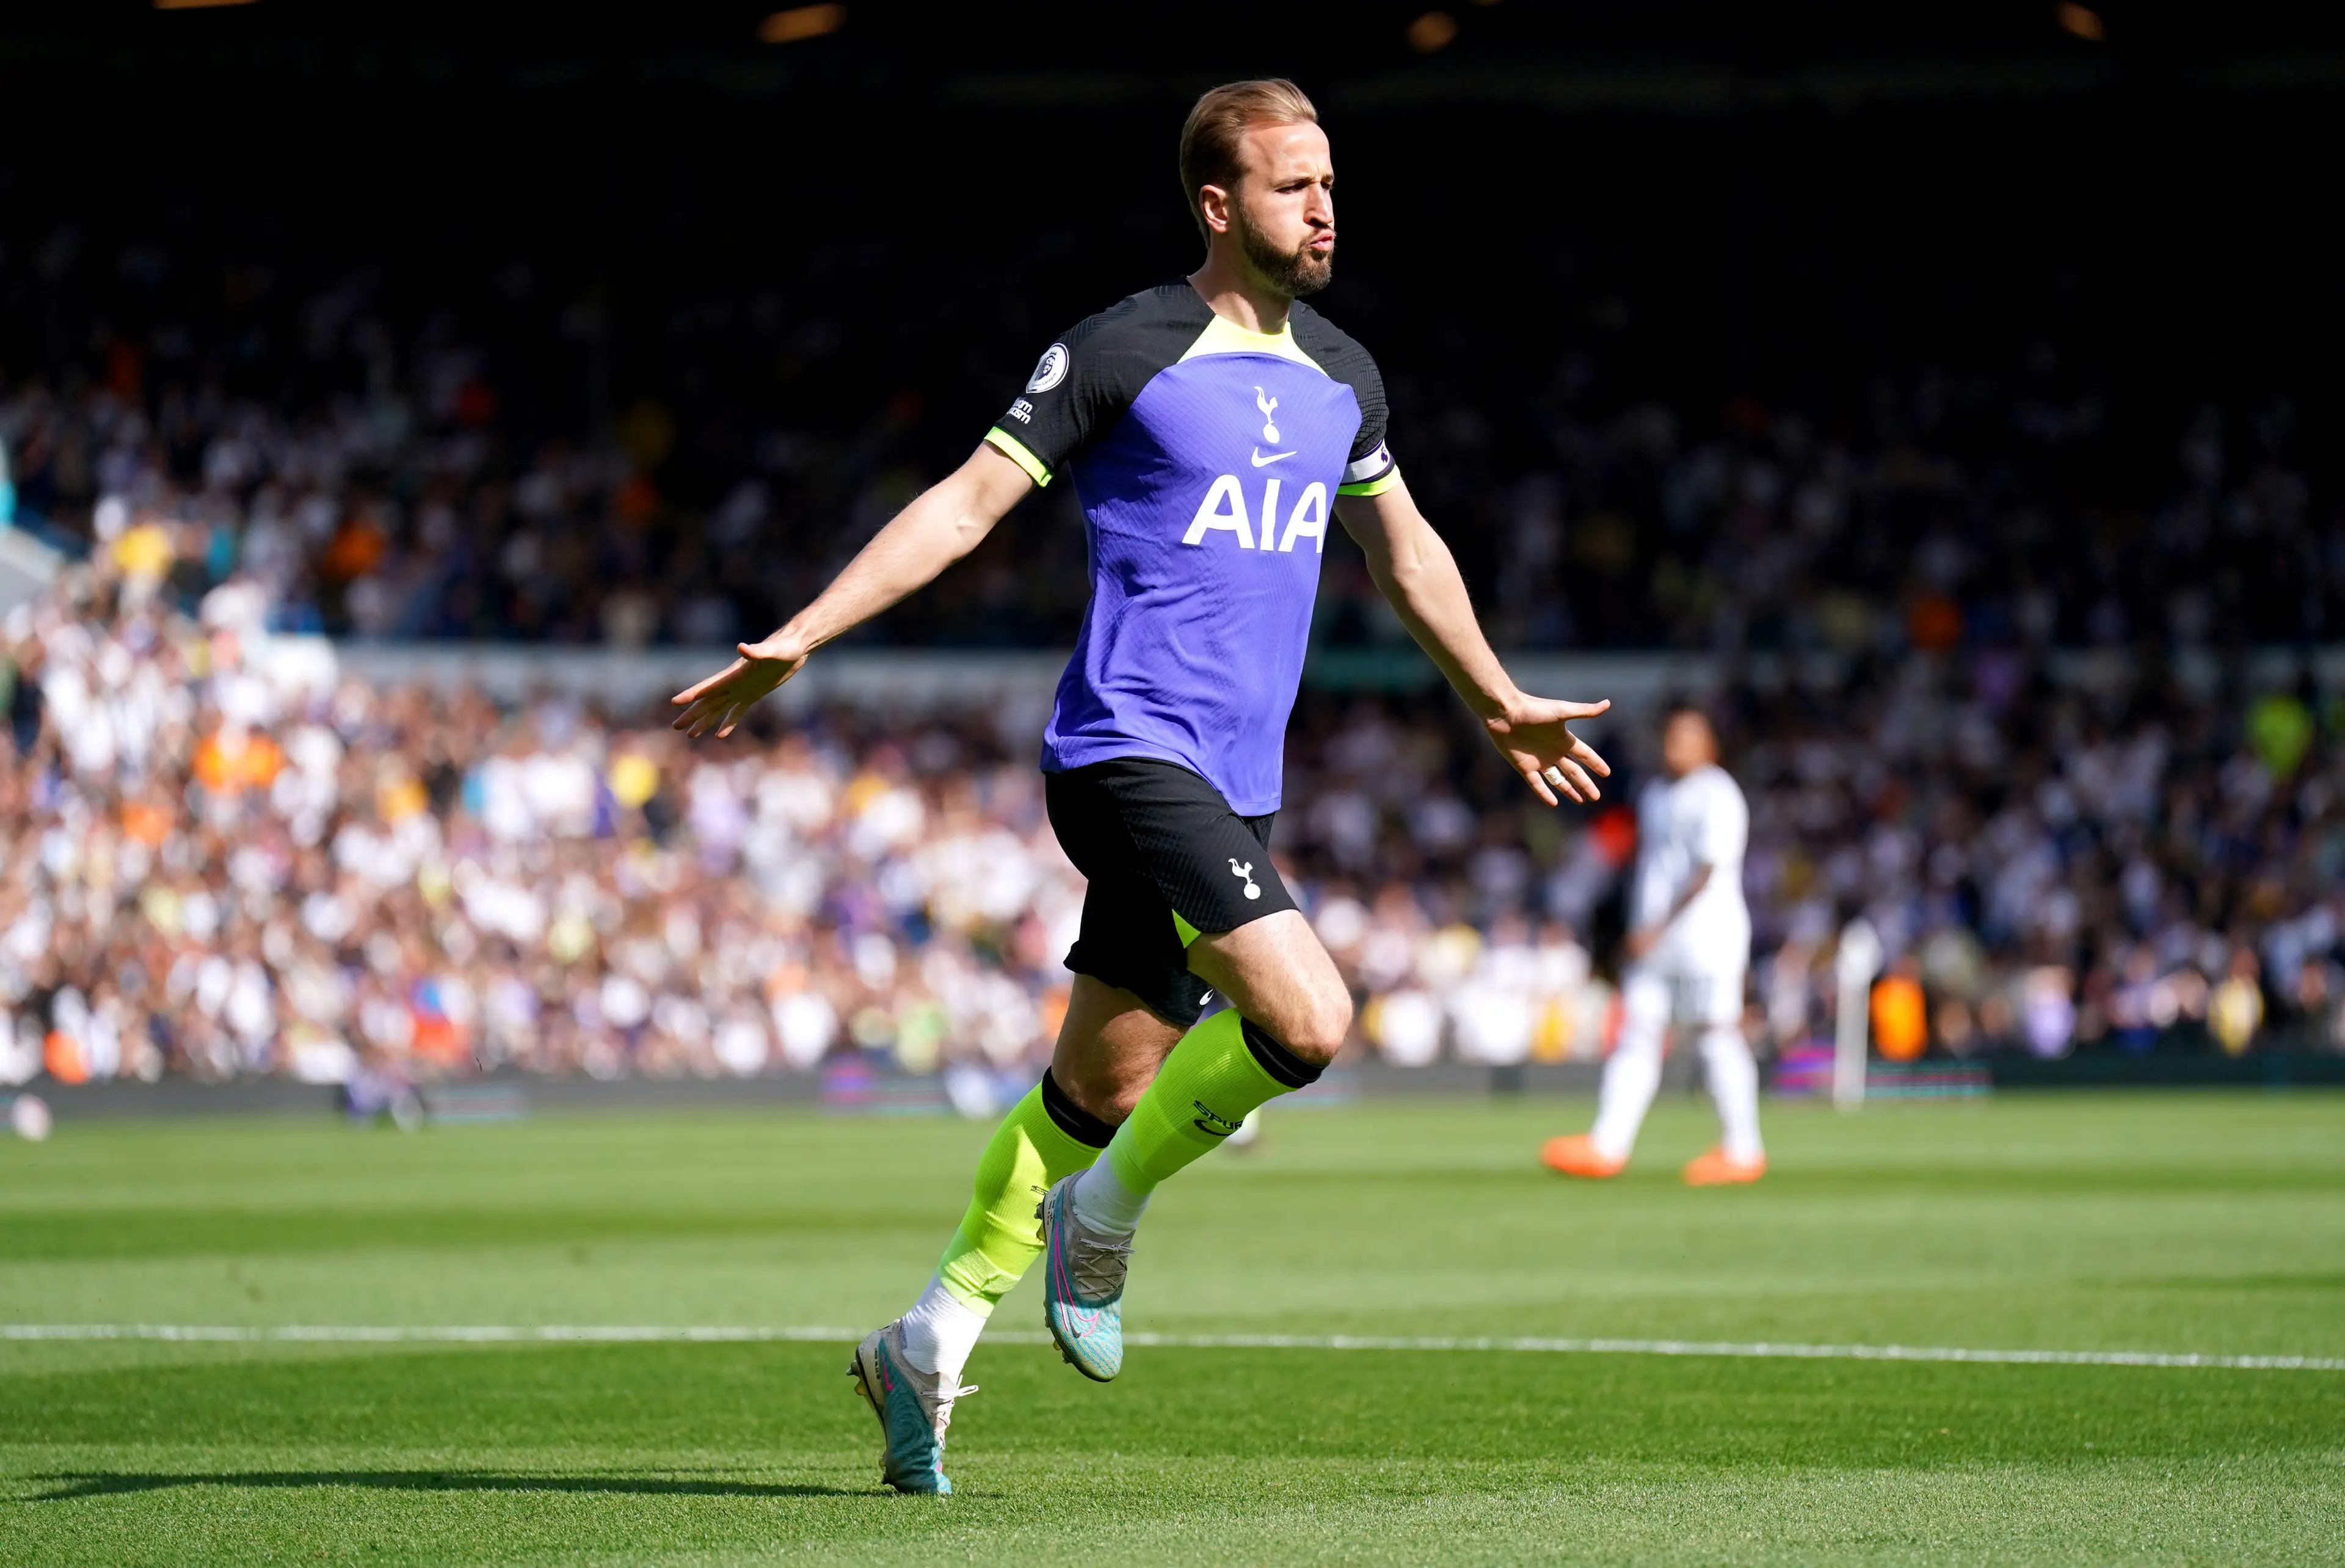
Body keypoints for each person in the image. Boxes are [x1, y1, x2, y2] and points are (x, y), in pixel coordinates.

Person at [671, 78, 1613, 1495]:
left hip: (1236, 784)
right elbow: (967, 499)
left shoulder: (1343, 376)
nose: (1324, 207)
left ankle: (923, 1339)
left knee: (1098, 1084)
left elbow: (1405, 553)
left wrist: (1492, 696)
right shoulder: (1126, 347)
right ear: (1218, 204)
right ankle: (1101, 1221)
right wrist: (803, 631)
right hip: (1124, 750)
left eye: (1332, 182)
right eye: (1295, 185)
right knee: (1308, 1014)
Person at [1541, 705, 1763, 1186]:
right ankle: (1608, 1145)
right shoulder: (1657, 792)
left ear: (1710, 746)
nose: (1675, 746)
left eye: (1687, 737)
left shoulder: (1718, 793)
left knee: (1716, 1035)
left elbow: (1709, 871)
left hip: (1707, 939)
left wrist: (1657, 927)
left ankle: (1743, 1149)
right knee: (1638, 1034)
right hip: (1655, 941)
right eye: (1671, 736)